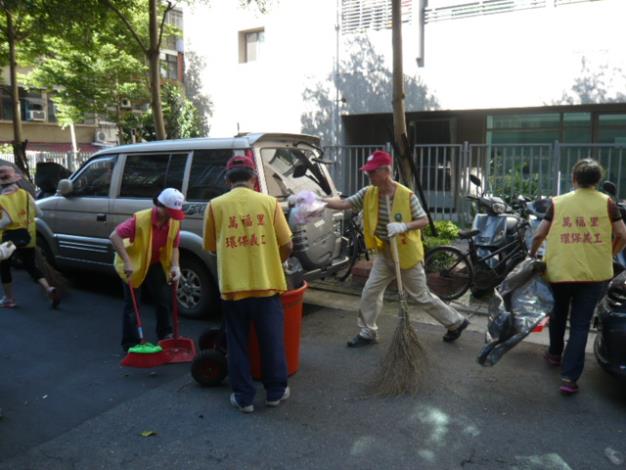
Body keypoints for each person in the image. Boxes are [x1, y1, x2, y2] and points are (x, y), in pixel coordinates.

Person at [324, 150, 469, 347]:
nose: (369, 176)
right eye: (368, 173)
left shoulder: (407, 196)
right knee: (370, 292)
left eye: (372, 172)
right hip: (385, 254)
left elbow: (424, 220)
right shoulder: (368, 193)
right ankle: (368, 331)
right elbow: (343, 203)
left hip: (407, 255)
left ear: (386, 171)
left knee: (421, 296)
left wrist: (403, 226)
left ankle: (456, 322)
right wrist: (317, 203)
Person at [203, 155, 293, 413]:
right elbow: (287, 244)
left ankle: (244, 398)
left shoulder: (215, 206)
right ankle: (275, 392)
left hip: (233, 289)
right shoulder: (269, 203)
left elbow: (210, 246)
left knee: (238, 344)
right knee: (272, 340)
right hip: (266, 285)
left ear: (227, 179)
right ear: (254, 178)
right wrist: (275, 260)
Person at [530, 158, 626, 395]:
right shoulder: (608, 203)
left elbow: (539, 234)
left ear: (574, 178)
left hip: (560, 271)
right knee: (581, 324)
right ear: (597, 181)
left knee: (558, 312)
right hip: (594, 274)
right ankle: (569, 379)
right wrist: (610, 253)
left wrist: (532, 255)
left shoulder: (557, 203)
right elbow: (622, 234)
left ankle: (554, 354)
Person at [110, 188, 185, 352]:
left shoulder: (174, 222)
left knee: (163, 299)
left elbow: (174, 246)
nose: (173, 216)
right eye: (171, 211)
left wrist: (175, 265)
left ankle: (165, 334)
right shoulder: (140, 220)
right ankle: (131, 343)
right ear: (161, 206)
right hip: (134, 263)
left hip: (156, 263)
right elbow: (114, 236)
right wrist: (127, 261)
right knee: (133, 305)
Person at [0, 165, 60, 308]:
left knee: (4, 268)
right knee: (31, 266)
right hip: (28, 236)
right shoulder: (25, 195)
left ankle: (9, 299)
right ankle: (48, 289)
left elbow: (6, 221)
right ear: (15, 180)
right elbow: (40, 214)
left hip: (8, 241)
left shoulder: (1, 199)